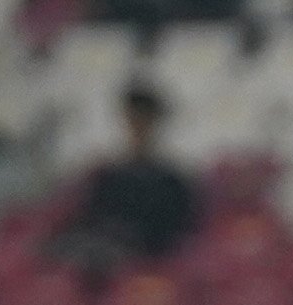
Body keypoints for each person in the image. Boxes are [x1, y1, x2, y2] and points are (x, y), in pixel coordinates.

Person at [65, 85, 200, 266]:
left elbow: (172, 234)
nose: (136, 129)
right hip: (102, 249)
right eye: (132, 121)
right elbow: (91, 217)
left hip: (143, 260)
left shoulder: (171, 182)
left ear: (154, 124)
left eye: (142, 121)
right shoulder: (109, 176)